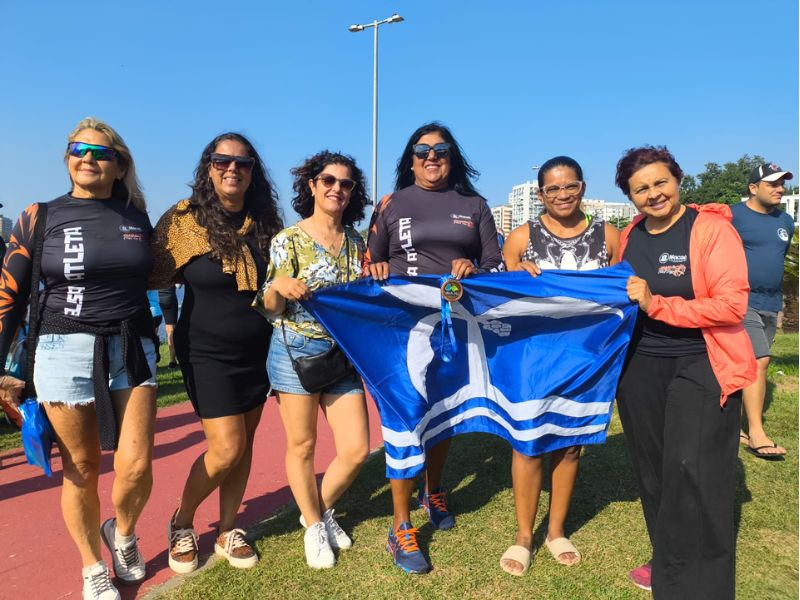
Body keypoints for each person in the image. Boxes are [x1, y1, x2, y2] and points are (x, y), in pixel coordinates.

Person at [0, 118, 157, 600]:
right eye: (78, 149)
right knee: (82, 466)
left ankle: (123, 534)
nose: (87, 157)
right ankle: (92, 565)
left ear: (119, 163)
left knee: (135, 464)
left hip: (131, 344)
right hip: (61, 347)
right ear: (67, 158)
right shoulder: (38, 215)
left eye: (99, 151)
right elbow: (8, 292)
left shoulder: (136, 216)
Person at [614, 146, 756, 597]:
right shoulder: (630, 234)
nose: (654, 194)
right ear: (629, 197)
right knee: (654, 469)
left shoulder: (710, 229)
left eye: (660, 182)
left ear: (677, 180)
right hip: (641, 367)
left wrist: (658, 305)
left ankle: (704, 583)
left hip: (702, 359)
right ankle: (668, 560)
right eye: (641, 189)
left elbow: (733, 304)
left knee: (694, 469)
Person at [365, 122, 504, 574]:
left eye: (440, 150)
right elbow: (370, 263)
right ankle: (400, 526)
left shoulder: (475, 204)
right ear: (410, 159)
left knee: (442, 413)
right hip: (401, 326)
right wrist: (379, 264)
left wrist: (475, 268)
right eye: (422, 150)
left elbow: (494, 263)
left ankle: (434, 490)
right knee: (405, 415)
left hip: (454, 324)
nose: (431, 157)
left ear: (451, 156)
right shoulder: (390, 204)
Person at [150, 132, 282, 573]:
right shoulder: (183, 220)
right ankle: (182, 521)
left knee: (244, 447)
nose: (232, 168)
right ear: (208, 167)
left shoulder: (266, 223)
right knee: (225, 448)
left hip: (257, 351)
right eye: (222, 160)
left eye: (242, 163)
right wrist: (166, 322)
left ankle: (228, 530)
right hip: (204, 349)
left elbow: (280, 283)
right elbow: (154, 276)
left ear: (252, 172)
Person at [500, 155, 620, 576]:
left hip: (588, 357)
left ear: (583, 187)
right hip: (533, 357)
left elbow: (622, 290)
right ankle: (523, 535)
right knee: (527, 442)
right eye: (553, 189)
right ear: (540, 195)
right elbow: (501, 301)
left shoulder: (609, 235)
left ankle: (555, 530)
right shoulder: (519, 238)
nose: (562, 195)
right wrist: (517, 274)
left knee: (570, 444)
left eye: (570, 186)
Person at [256, 150, 370, 569]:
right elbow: (269, 306)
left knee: (357, 449)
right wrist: (279, 285)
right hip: (294, 352)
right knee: (302, 446)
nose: (336, 189)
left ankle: (316, 513)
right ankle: (314, 530)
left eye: (345, 184)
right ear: (312, 185)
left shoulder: (357, 243)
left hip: (341, 355)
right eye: (328, 181)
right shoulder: (288, 240)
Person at [732, 162, 794, 459]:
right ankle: (757, 432)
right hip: (741, 300)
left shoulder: (787, 221)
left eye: (781, 183)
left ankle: (731, 426)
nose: (779, 188)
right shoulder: (733, 215)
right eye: (772, 184)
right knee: (761, 360)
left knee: (746, 366)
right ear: (753, 188)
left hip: (772, 302)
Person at [157, 285, 180, 368]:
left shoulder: (154, 272)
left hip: (156, 299)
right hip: (169, 297)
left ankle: (154, 359)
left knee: (154, 329)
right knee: (171, 331)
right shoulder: (171, 271)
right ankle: (172, 361)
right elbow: (179, 285)